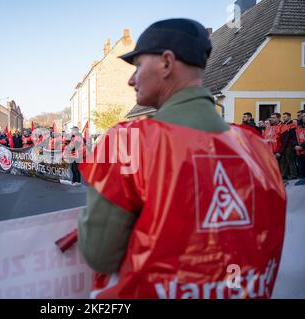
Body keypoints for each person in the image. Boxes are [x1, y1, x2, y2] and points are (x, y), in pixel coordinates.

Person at [77, 19, 286, 299]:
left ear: (166, 63)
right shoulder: (258, 148)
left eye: (138, 66)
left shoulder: (128, 142)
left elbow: (100, 255)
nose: (131, 79)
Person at [280, 112, 298, 180]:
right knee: (283, 160)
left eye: (285, 117)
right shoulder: (283, 125)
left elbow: (291, 135)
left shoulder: (292, 125)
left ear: (289, 117)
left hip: (290, 144)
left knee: (290, 160)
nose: (283, 118)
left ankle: (293, 174)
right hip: (283, 143)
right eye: (283, 117)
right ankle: (284, 174)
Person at [293, 110, 305, 178]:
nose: (303, 117)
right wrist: (295, 145)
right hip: (300, 153)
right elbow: (294, 138)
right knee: (302, 174)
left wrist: (301, 146)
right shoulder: (298, 127)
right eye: (302, 116)